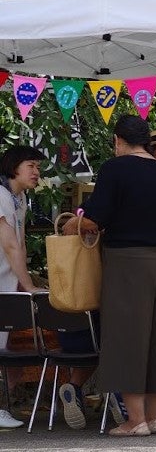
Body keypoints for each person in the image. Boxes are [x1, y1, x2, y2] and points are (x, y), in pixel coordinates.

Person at [62, 114, 156, 436]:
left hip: (128, 260)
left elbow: (95, 218)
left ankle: (135, 419)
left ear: (118, 140)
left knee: (128, 336)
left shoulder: (115, 168)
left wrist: (76, 222)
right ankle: (154, 418)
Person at [0, 145, 46, 429]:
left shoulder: (18, 199)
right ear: (14, 166)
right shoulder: (1, 196)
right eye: (31, 166)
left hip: (6, 283)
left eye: (38, 167)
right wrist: (28, 285)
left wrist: (22, 279)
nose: (36, 172)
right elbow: (9, 243)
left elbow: (21, 241)